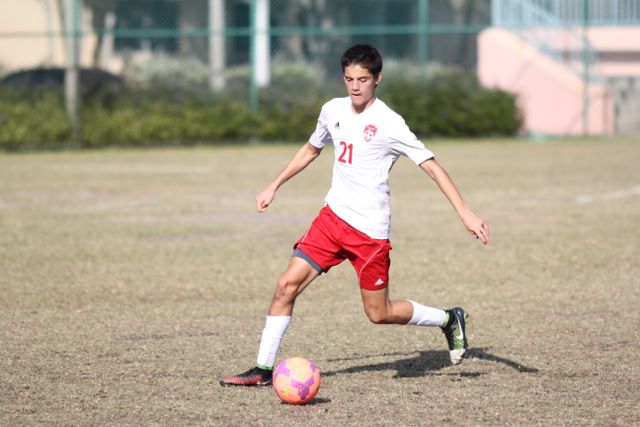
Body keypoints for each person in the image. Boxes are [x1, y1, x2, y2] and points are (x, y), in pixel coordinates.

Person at [220, 44, 491, 387]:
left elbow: (433, 168)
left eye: (363, 79)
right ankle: (262, 368)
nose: (355, 86)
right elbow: (311, 148)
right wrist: (274, 184)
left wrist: (465, 213)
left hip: (369, 234)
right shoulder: (332, 110)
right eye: (349, 79)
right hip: (331, 220)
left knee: (379, 313)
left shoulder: (390, 123)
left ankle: (448, 319)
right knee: (285, 285)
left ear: (377, 78)